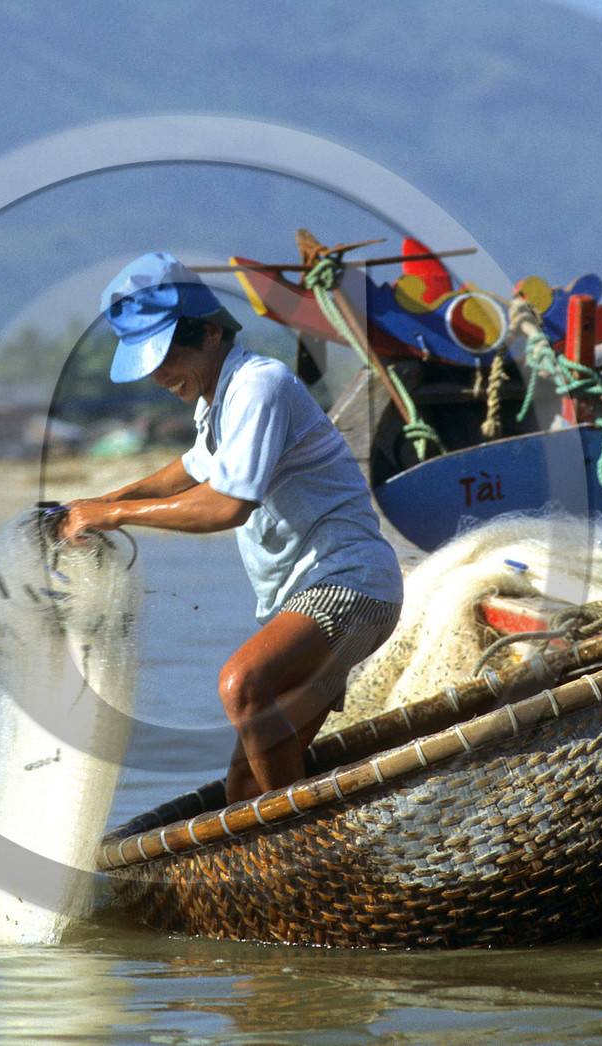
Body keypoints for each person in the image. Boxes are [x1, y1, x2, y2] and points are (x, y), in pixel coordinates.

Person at [59, 252, 403, 804]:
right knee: (245, 788)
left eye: (168, 354)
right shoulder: (216, 402)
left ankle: (304, 861)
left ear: (213, 332)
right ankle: (298, 859)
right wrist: (105, 499)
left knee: (241, 686)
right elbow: (190, 470)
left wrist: (118, 516)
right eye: (150, 360)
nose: (158, 374)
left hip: (350, 585)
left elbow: (226, 506)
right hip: (309, 597)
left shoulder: (259, 385)